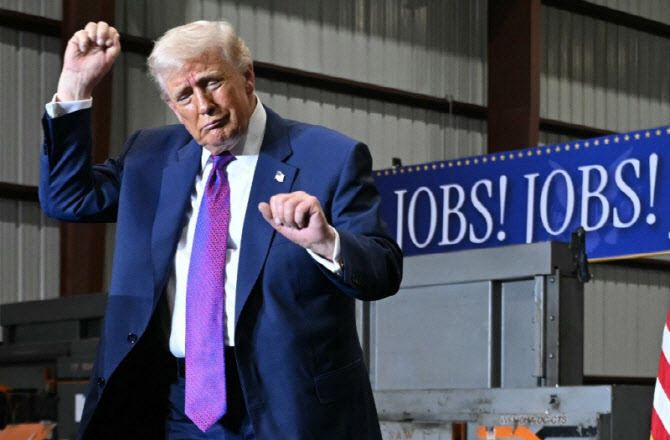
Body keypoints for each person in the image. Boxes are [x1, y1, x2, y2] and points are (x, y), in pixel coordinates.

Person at [40, 20, 402, 440]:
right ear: (173, 107)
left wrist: (326, 242)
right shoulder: (150, 156)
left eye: (212, 83)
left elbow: (382, 271)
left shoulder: (331, 157)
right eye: (184, 96)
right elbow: (67, 199)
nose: (204, 105)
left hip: (291, 406)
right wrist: (74, 86)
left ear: (247, 77)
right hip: (178, 407)